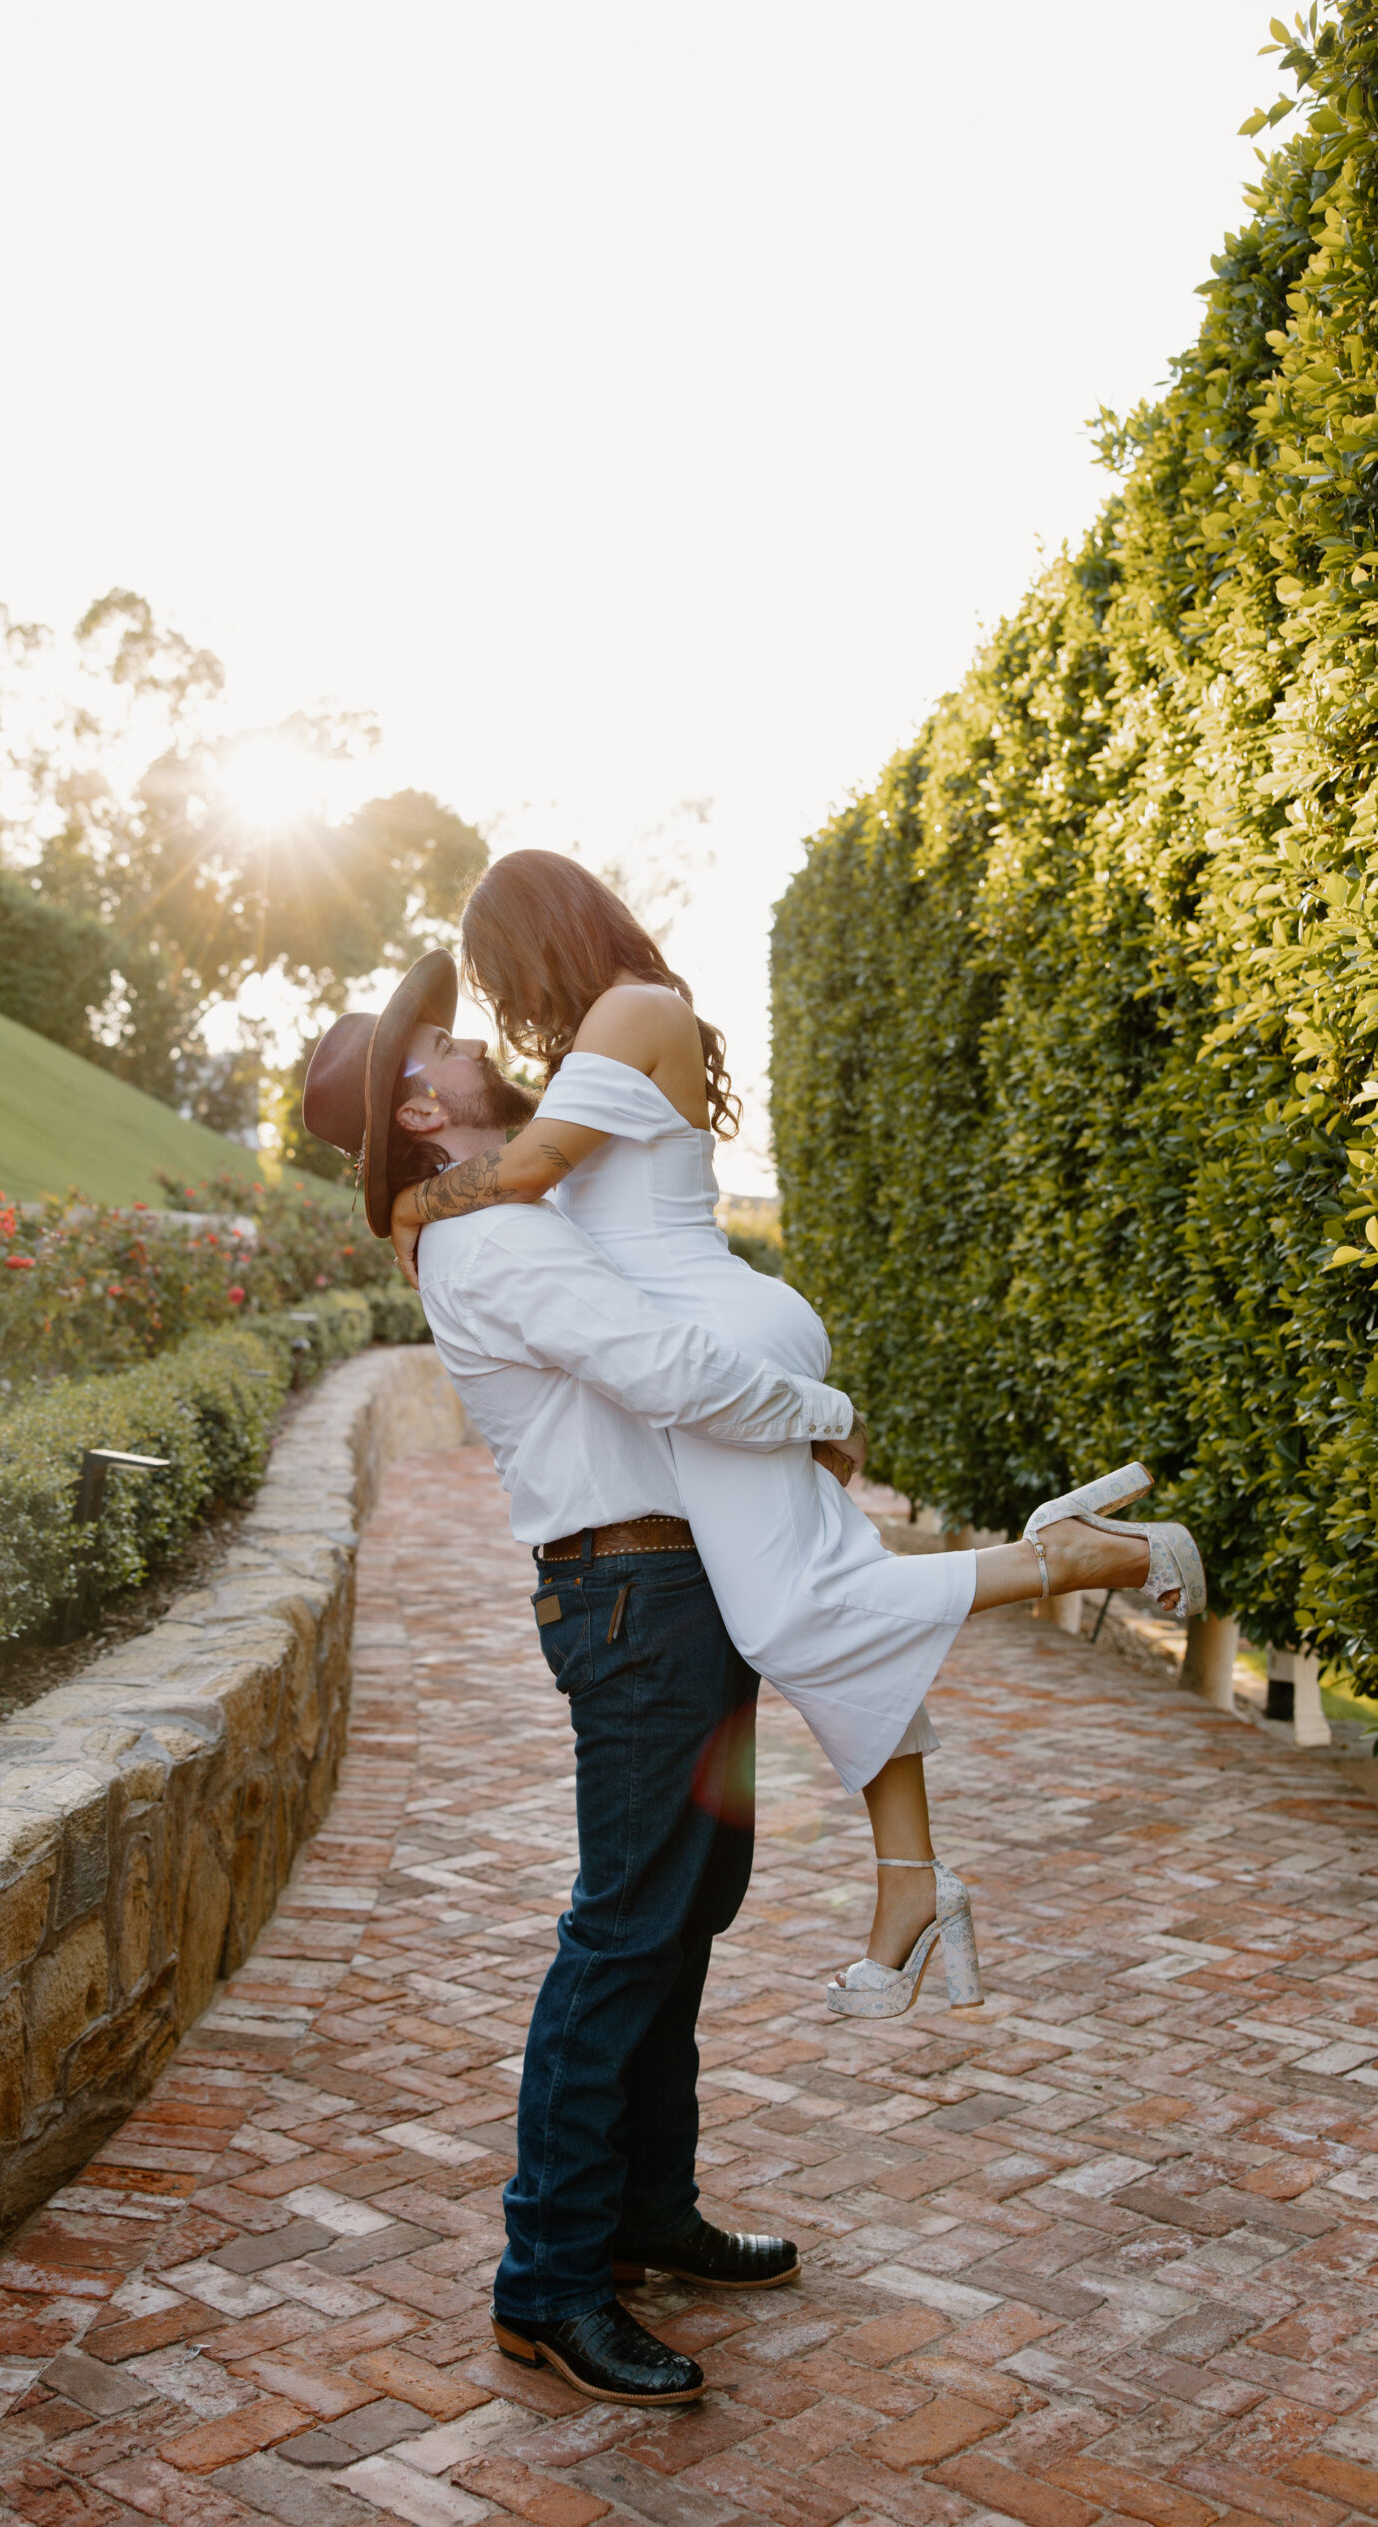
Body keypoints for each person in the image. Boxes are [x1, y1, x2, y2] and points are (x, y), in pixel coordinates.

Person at [387, 849, 1206, 2023]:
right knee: (826, 1600)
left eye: (503, 976)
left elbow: (521, 1173)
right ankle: (910, 1886)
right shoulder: (607, 1033)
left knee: (790, 1610)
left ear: (542, 941)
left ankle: (1077, 1557)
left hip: (720, 1334)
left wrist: (411, 1202)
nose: (505, 1012)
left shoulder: (632, 1011)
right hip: (720, 1336)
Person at [301, 951, 866, 2410]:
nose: (469, 1040)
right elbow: (663, 1368)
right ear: (422, 1113)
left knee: (682, 1909)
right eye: (438, 1040)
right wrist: (820, 1415)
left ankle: (645, 2214)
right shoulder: (491, 1239)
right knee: (623, 1928)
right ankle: (546, 2281)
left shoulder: (510, 1208)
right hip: (634, 1595)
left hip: (672, 1584)